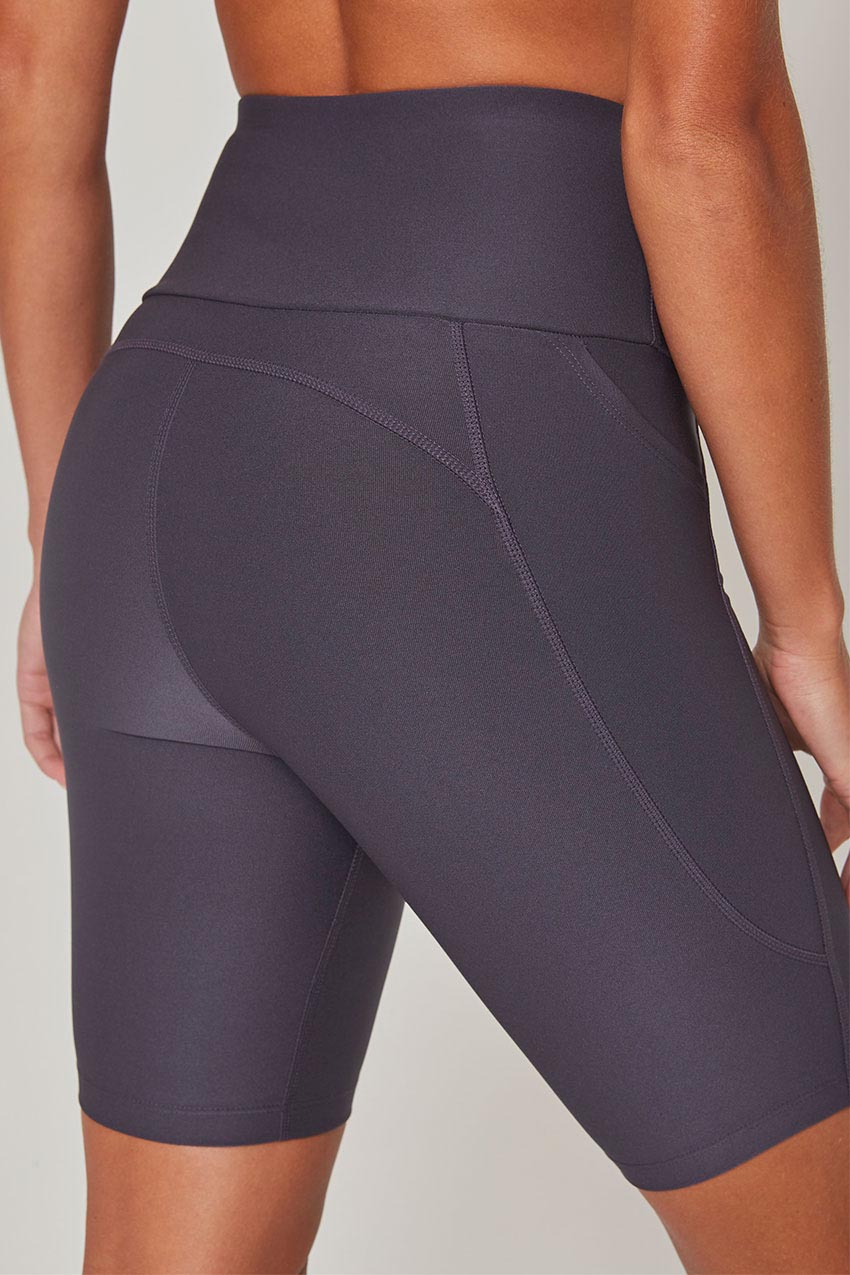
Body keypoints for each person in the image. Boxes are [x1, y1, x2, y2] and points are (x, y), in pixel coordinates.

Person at [2, 0, 848, 1270]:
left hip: (161, 450)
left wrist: (58, 530)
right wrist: (804, 622)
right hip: (469, 448)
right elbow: (702, 132)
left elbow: (26, 79)